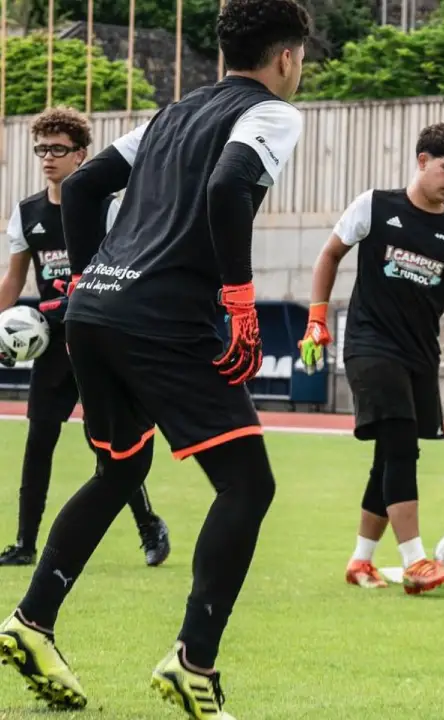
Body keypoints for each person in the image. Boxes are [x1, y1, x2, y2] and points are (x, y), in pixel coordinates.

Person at [0, 1, 311, 716]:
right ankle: (193, 664)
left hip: (96, 311)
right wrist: (238, 299)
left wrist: (85, 284)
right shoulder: (271, 113)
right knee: (246, 484)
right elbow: (230, 186)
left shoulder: (171, 114)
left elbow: (82, 187)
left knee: (120, 468)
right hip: (163, 318)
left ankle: (32, 621)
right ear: (287, 57)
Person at [297, 123, 444, 595]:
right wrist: (316, 319)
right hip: (369, 345)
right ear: (422, 161)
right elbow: (329, 256)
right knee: (401, 445)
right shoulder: (376, 206)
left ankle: (361, 562)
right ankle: (415, 561)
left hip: (421, 356)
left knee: (391, 455)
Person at [0, 107, 170, 569]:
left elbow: (128, 271)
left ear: (82, 155)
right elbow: (13, 283)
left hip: (97, 343)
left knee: (109, 447)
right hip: (51, 346)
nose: (47, 158)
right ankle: (24, 543)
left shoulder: (109, 208)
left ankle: (149, 525)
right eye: (41, 149)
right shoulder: (27, 213)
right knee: (39, 441)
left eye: (58, 149)